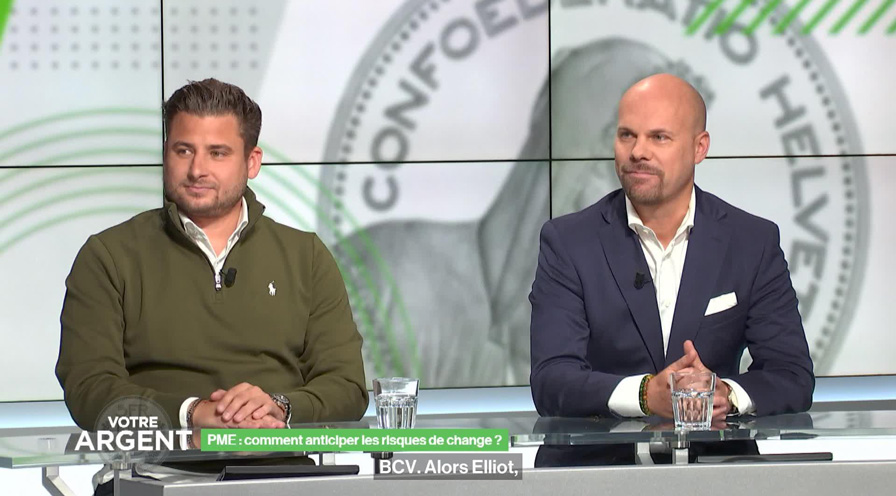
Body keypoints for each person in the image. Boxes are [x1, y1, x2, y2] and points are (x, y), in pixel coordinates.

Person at [56, 78, 368, 438]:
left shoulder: (306, 256)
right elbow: (88, 390)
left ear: (252, 162)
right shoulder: (109, 256)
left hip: (278, 462)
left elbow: (347, 387)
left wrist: (278, 407)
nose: (197, 170)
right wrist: (193, 414)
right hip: (154, 466)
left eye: (217, 153)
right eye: (183, 151)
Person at [529, 73, 814, 422]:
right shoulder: (568, 242)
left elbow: (792, 375)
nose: (638, 152)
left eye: (659, 137)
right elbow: (552, 380)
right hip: (602, 453)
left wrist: (725, 395)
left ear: (699, 148)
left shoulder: (752, 242)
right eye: (627, 135)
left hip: (715, 453)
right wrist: (646, 395)